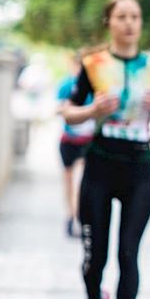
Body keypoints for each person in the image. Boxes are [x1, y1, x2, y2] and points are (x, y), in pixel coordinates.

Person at [60, 0, 150, 299]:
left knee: (129, 253)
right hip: (99, 164)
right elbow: (67, 112)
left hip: (139, 167)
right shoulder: (93, 63)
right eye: (122, 16)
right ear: (109, 22)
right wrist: (93, 109)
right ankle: (94, 298)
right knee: (95, 258)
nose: (129, 23)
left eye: (135, 17)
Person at [55, 50, 97, 238]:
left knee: (80, 180)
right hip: (69, 140)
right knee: (68, 181)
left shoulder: (94, 84)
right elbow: (58, 108)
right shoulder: (66, 85)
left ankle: (78, 216)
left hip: (87, 141)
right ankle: (70, 215)